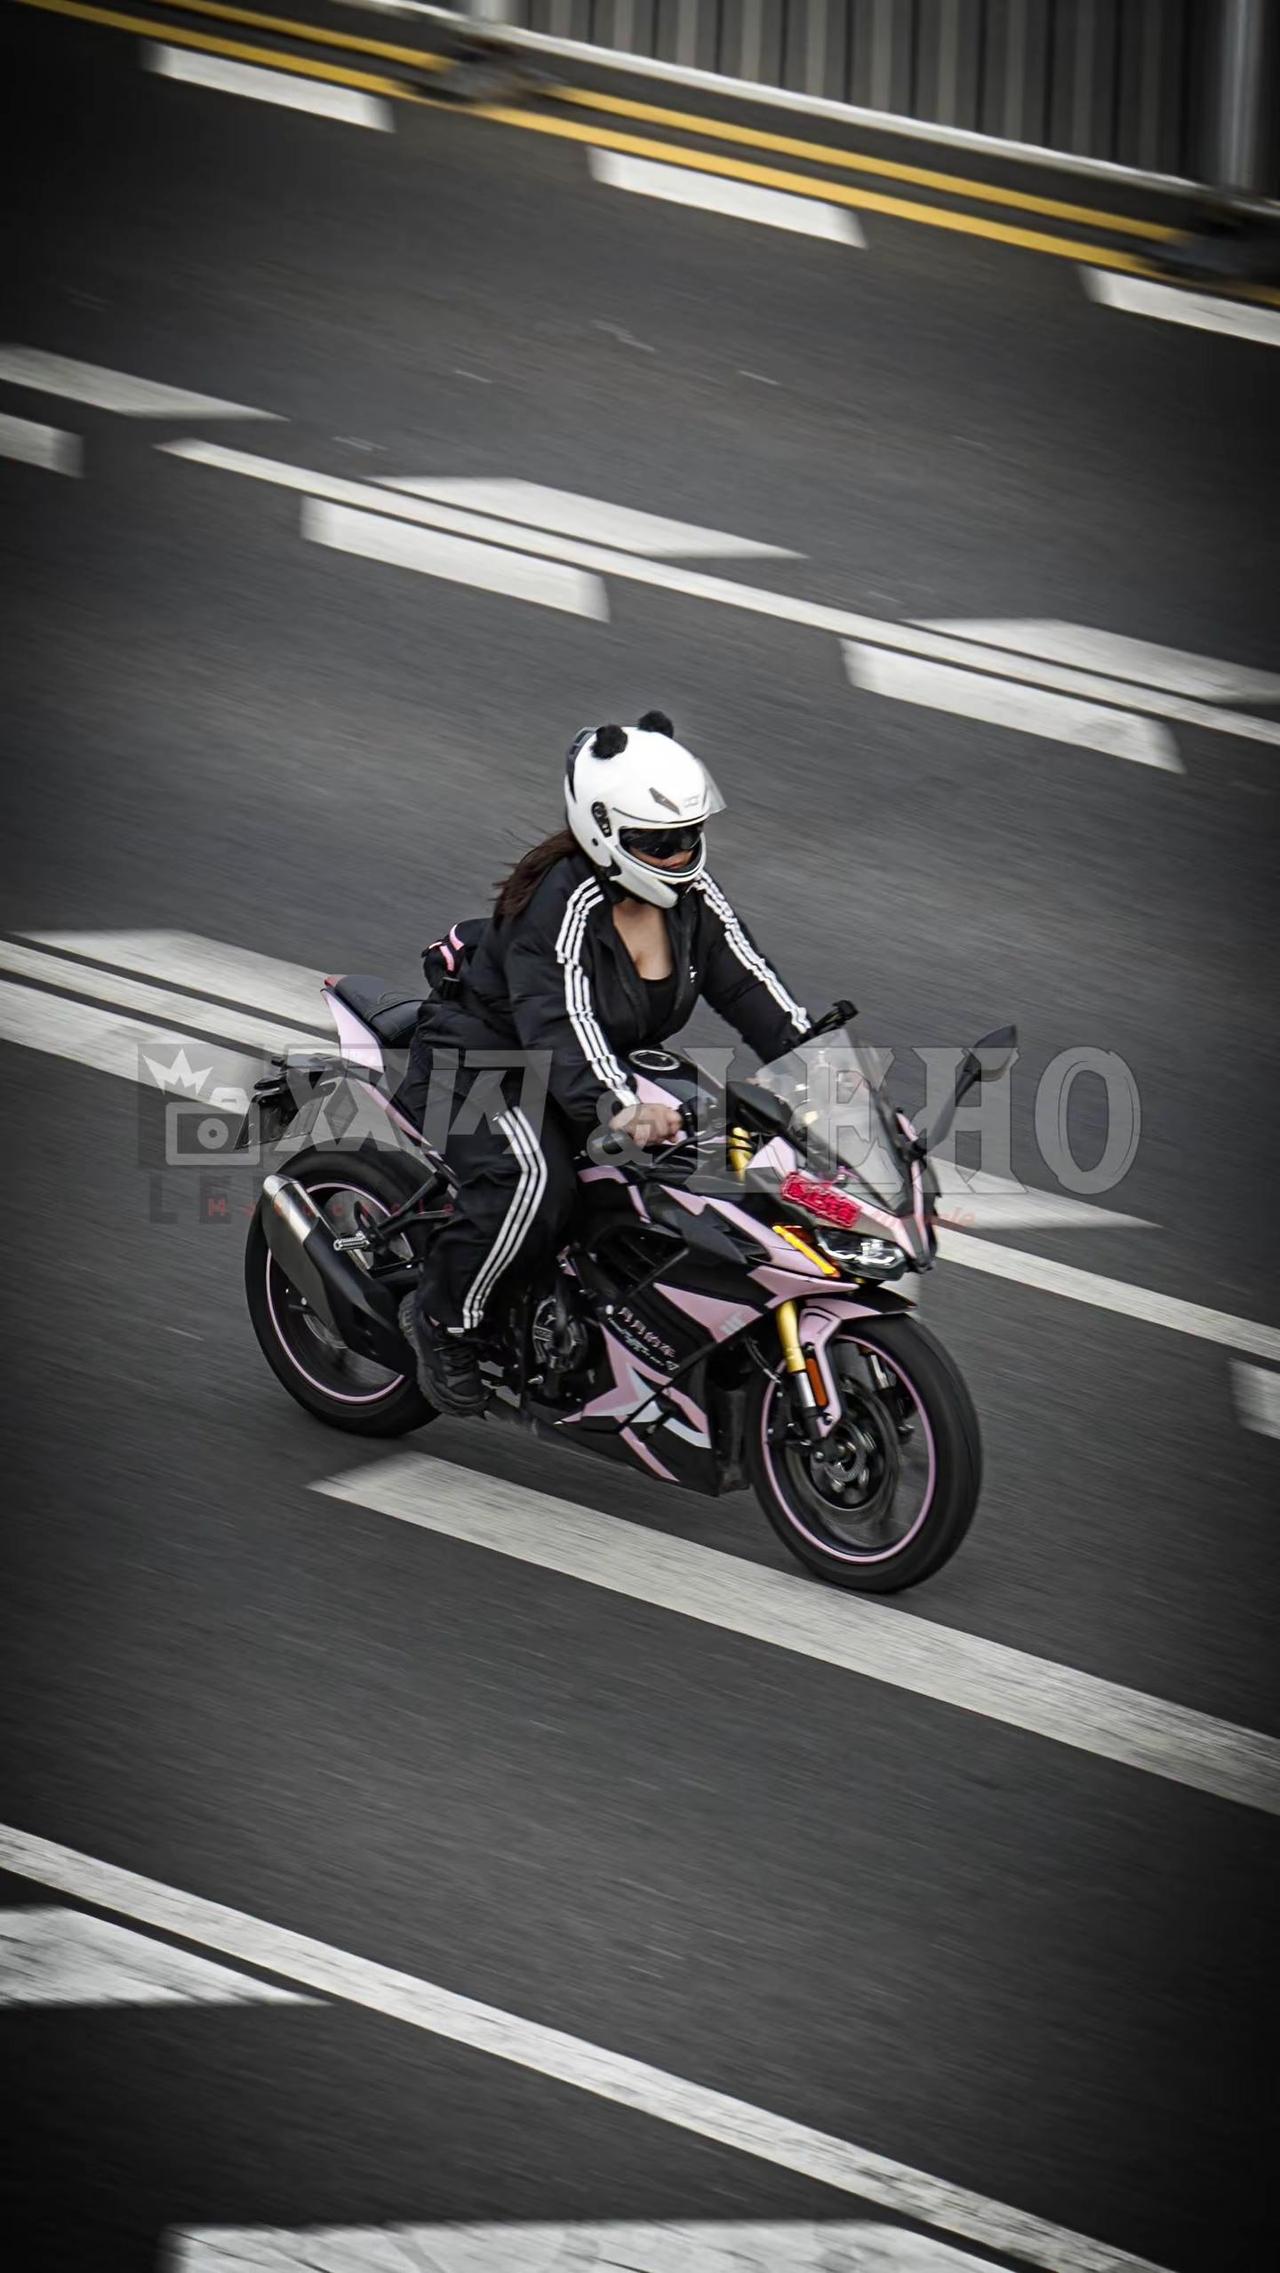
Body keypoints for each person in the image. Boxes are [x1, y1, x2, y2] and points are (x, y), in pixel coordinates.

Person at [397, 711, 809, 1416]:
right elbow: (562, 1020)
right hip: (479, 1060)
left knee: (719, 1172)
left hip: (590, 1066)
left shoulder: (691, 899)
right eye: (659, 842)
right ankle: (443, 1319)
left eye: (690, 836)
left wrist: (825, 1070)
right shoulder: (561, 905)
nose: (680, 854)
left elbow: (749, 983)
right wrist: (620, 1104)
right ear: (602, 829)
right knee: (533, 1182)